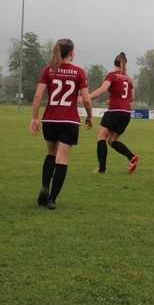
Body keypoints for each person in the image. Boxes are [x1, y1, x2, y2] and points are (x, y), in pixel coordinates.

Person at [29, 39, 93, 210]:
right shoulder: (79, 72)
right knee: (62, 160)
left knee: (51, 154)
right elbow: (86, 99)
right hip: (69, 121)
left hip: (49, 120)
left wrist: (34, 118)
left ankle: (44, 186)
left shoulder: (48, 70)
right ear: (72, 52)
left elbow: (37, 97)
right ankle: (51, 199)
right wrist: (90, 116)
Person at [87, 52, 139, 174]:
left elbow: (103, 89)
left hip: (115, 111)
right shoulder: (128, 78)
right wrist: (115, 99)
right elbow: (132, 97)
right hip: (126, 113)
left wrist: (87, 97)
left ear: (114, 63)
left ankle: (102, 169)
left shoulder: (111, 75)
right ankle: (131, 157)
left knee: (101, 138)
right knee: (112, 140)